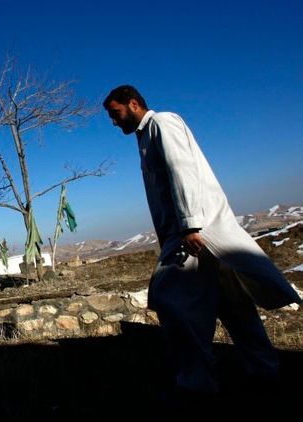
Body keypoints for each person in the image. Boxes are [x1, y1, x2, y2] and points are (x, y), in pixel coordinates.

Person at [103, 85, 301, 396]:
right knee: (233, 304)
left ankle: (196, 381)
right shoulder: (147, 134)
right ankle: (263, 369)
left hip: (195, 232)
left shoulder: (162, 123)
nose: (115, 122)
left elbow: (182, 170)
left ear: (134, 104)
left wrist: (190, 224)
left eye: (116, 114)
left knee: (172, 302)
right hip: (195, 230)